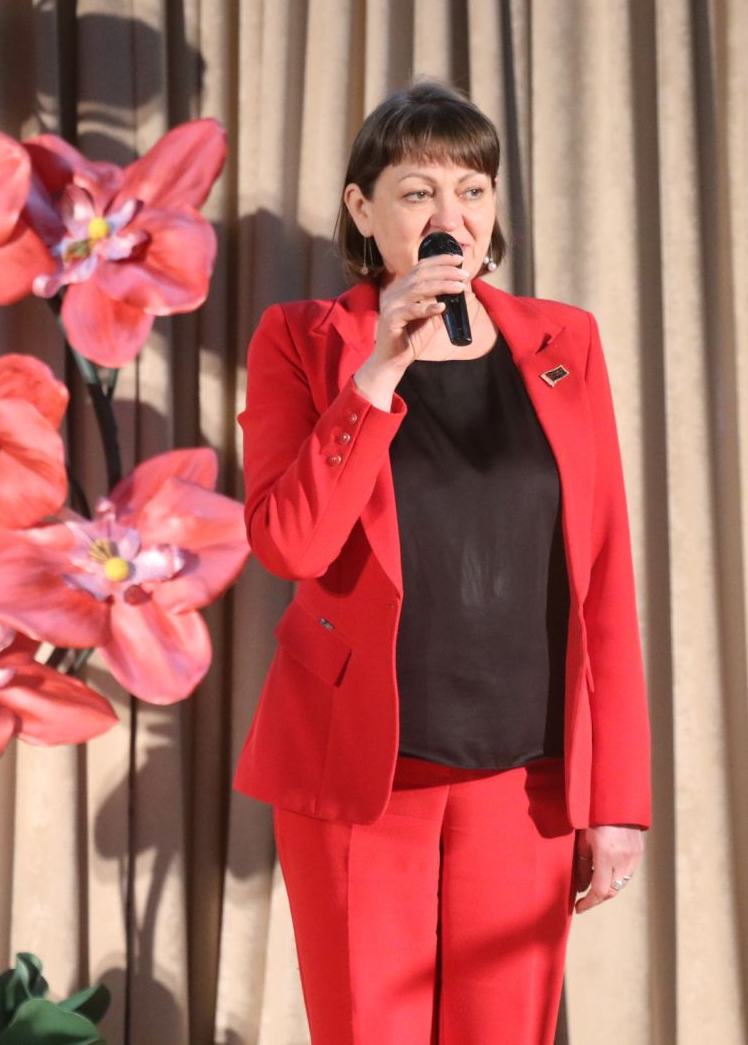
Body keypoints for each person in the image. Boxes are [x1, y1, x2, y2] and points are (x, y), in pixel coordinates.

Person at [232, 79, 652, 1045]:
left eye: (472, 190)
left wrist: (616, 798)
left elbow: (604, 577)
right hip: (363, 776)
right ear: (362, 209)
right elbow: (291, 542)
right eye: (417, 192)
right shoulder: (303, 341)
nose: (449, 217)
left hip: (528, 782)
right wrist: (380, 368)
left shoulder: (564, 341)